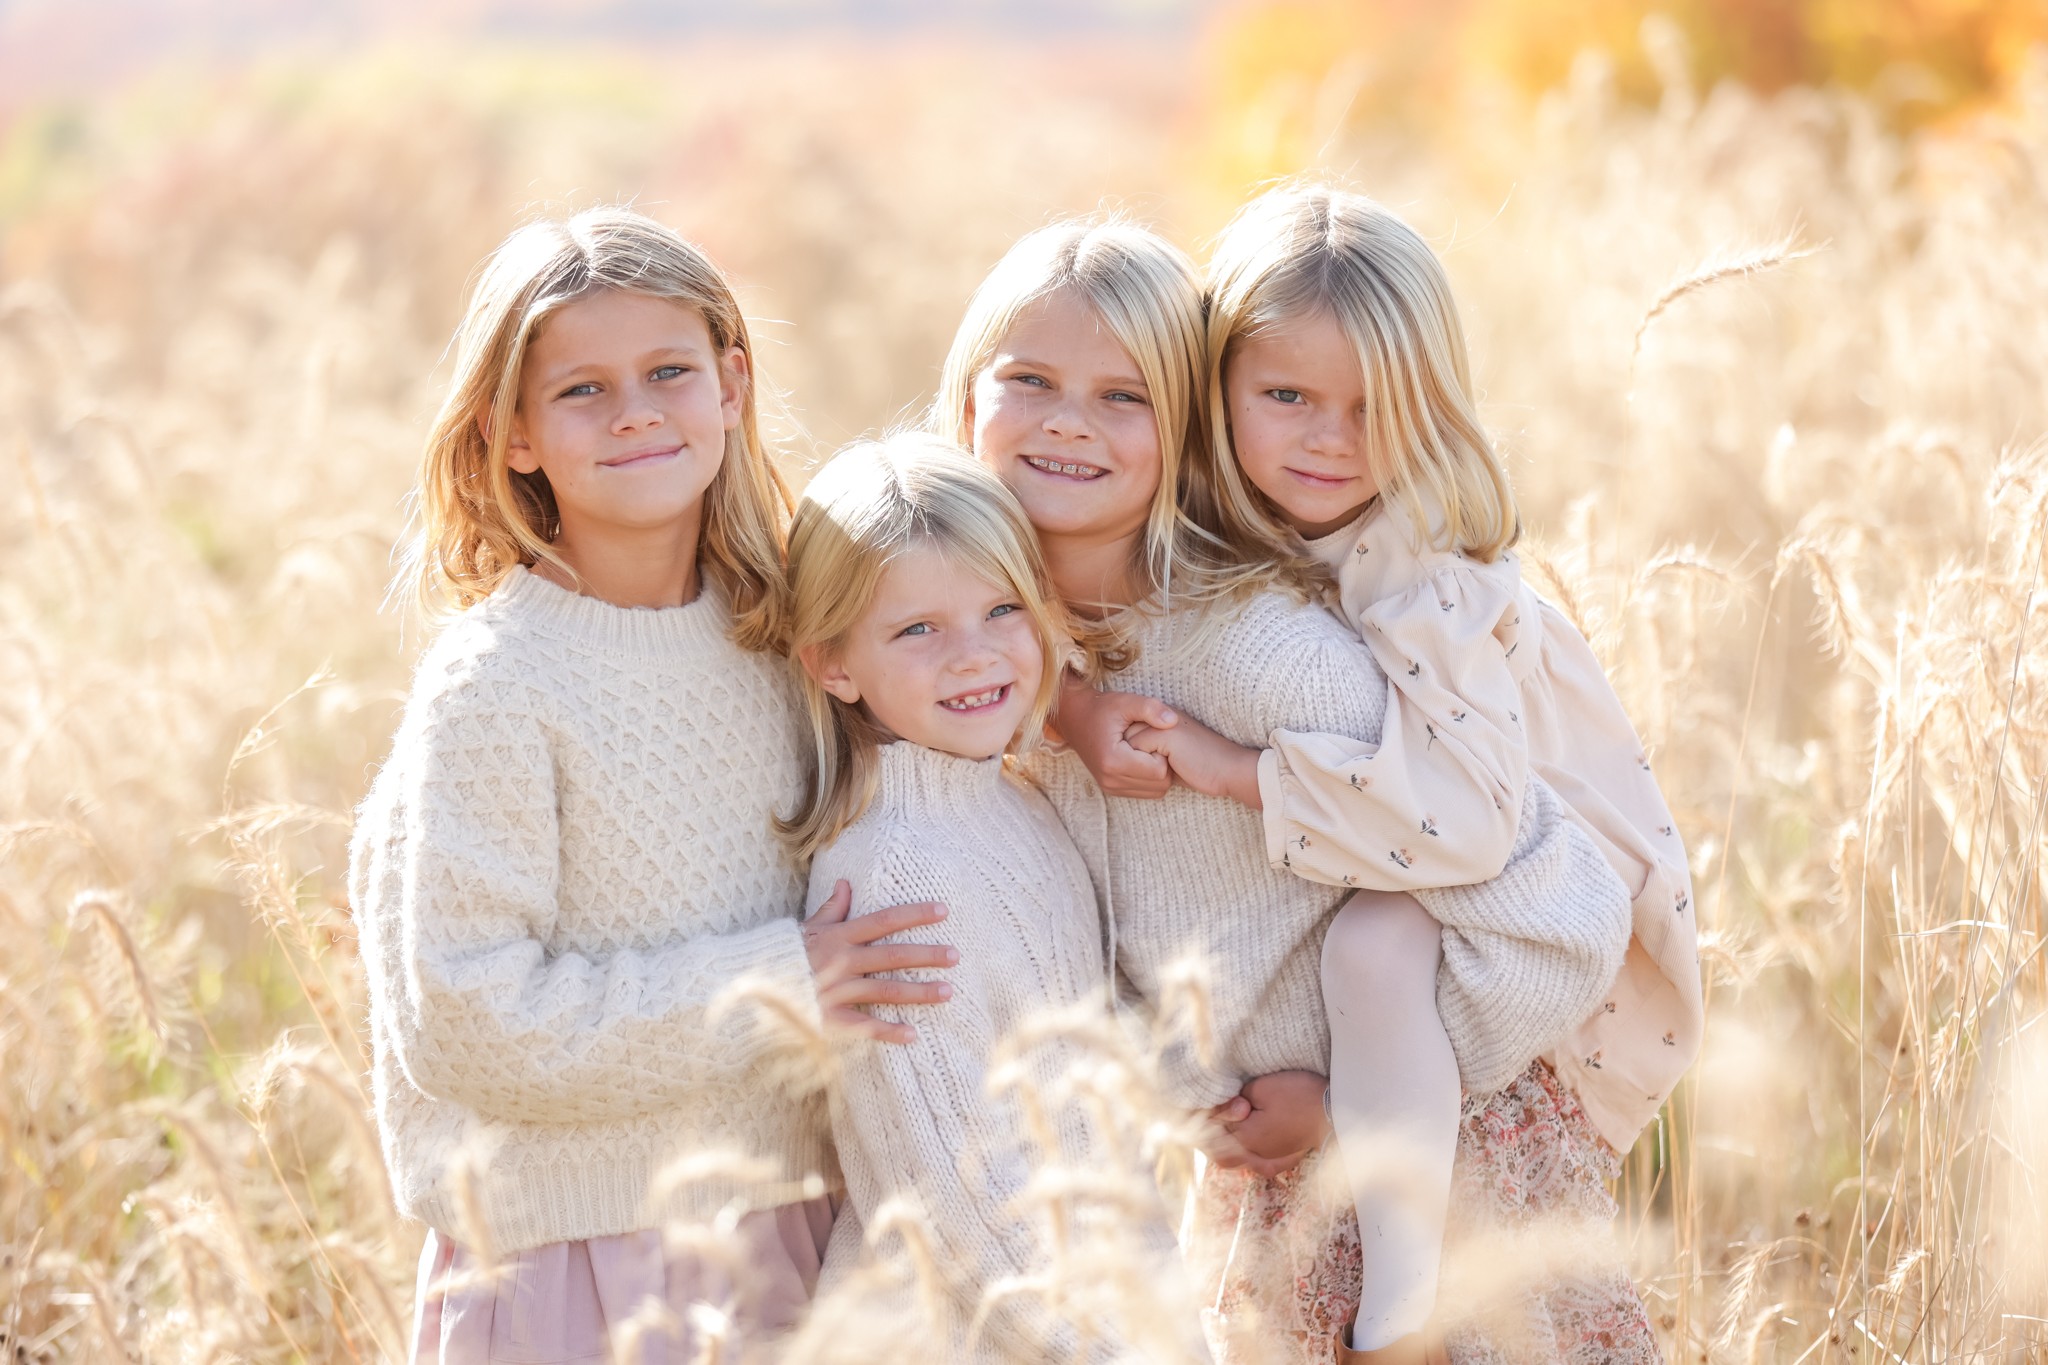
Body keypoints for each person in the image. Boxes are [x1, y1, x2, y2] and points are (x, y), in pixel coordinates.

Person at [932, 216, 1635, 1365]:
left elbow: (1549, 914)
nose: (1067, 422)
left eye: (1124, 397)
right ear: (966, 400)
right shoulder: (980, 665)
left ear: (1185, 423)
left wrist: (1351, 1107)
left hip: (1443, 1157)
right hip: (1271, 1181)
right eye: (1031, 383)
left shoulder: (1269, 651)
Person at [349, 207, 953, 1365]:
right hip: (573, 1261)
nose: (634, 410)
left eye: (668, 371)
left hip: (794, 1226)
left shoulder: (789, 637)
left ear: (730, 384)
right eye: (581, 390)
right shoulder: (498, 685)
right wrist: (781, 984)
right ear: (511, 433)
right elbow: (464, 1019)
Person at [781, 433, 1198, 1362]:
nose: (973, 656)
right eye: (917, 629)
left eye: (1003, 609)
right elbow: (949, 1190)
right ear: (833, 663)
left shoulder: (1022, 798)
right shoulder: (889, 875)